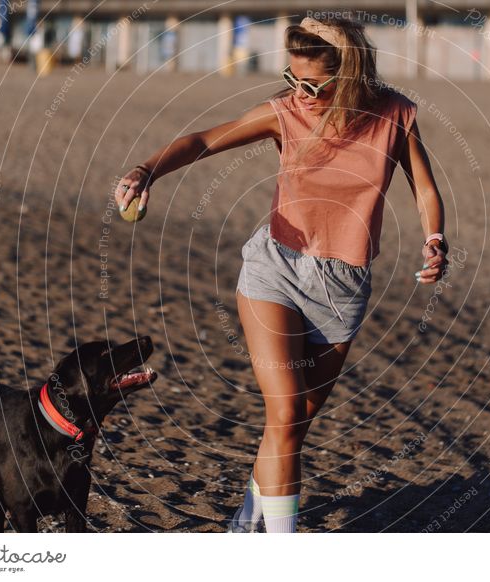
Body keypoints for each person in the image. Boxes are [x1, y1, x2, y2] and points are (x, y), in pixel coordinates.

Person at [114, 15, 448, 533]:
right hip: (277, 270)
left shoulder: (393, 115)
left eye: (313, 83)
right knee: (287, 416)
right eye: (293, 79)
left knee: (290, 425)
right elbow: (204, 140)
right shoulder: (284, 114)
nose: (301, 92)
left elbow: (423, 187)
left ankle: (246, 522)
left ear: (350, 76)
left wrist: (434, 238)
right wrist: (145, 170)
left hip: (343, 288)